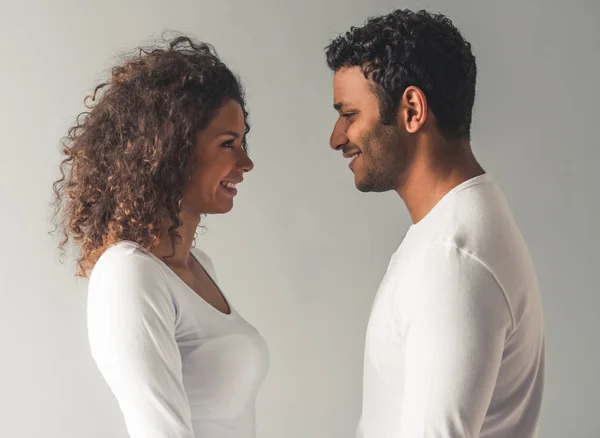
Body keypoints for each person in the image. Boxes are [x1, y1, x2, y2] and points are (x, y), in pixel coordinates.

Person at [325, 9, 544, 438]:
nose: (336, 137)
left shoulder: (451, 259)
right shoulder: (456, 229)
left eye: (349, 114)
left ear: (411, 109)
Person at [53, 36, 269, 438]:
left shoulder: (200, 266)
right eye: (228, 144)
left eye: (242, 143)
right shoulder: (129, 274)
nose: (245, 162)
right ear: (170, 151)